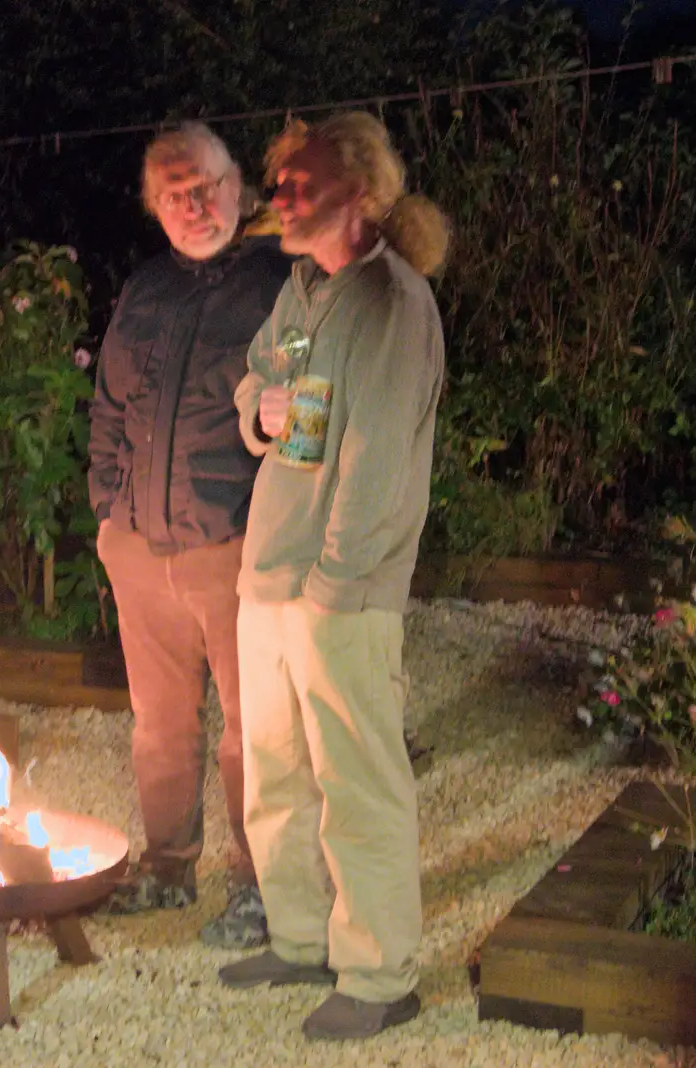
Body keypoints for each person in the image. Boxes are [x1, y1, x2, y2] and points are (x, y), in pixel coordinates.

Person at [215, 111, 450, 1042]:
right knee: (275, 775)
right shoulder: (303, 288)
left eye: (297, 181)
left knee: (358, 784)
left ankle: (382, 973)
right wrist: (259, 413)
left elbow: (381, 462)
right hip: (268, 576)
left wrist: (334, 586)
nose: (278, 196)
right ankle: (301, 937)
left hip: (337, 596)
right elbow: (257, 375)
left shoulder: (391, 303)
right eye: (279, 180)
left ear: (358, 192)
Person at [88, 121, 292, 948]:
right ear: (154, 208)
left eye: (206, 186)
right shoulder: (144, 289)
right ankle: (169, 867)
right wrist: (110, 513)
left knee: (257, 728)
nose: (194, 205)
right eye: (175, 195)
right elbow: (108, 404)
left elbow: (304, 410)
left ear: (238, 186)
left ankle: (264, 884)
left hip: (233, 546)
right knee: (158, 724)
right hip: (141, 545)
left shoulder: (284, 285)